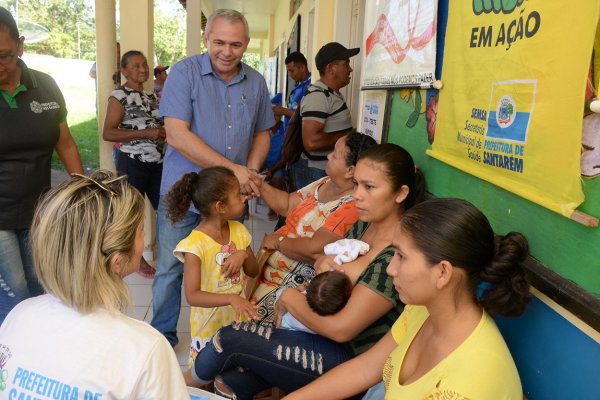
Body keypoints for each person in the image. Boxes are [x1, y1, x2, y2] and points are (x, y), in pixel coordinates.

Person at [189, 143, 426, 400]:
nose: (357, 195)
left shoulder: (396, 256)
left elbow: (341, 329)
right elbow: (323, 262)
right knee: (231, 382)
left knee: (230, 338)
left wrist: (290, 297)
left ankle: (172, 387)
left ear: (401, 193)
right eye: (356, 184)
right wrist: (319, 267)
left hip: (350, 360)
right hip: (316, 336)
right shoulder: (363, 226)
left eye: (369, 187)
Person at [284, 198, 531, 400]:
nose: (391, 269)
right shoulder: (423, 311)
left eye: (401, 256)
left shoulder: (467, 385)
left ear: (443, 272)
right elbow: (364, 369)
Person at [0, 171, 190, 398]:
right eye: (141, 231)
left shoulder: (20, 314)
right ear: (117, 261)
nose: (145, 237)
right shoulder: (145, 349)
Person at [152, 8, 275, 347]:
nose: (226, 51)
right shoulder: (184, 73)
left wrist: (247, 173)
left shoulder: (256, 81)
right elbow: (176, 134)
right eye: (218, 42)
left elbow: (264, 133)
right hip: (183, 193)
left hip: (228, 199)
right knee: (169, 270)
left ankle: (226, 333)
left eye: (235, 44)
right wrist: (235, 170)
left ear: (246, 44)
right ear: (206, 39)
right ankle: (161, 336)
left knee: (228, 266)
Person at [0, 6, 83, 326]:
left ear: (20, 46)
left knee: (42, 288)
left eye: (4, 55)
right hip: (1, 217)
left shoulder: (45, 86)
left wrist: (85, 192)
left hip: (39, 212)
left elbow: (65, 143)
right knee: (15, 296)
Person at [248, 131, 376, 324]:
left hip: (288, 287)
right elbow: (286, 204)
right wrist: (259, 185)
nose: (328, 156)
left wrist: (278, 241)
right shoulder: (326, 182)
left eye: (335, 153)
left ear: (350, 170)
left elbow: (316, 248)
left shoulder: (352, 206)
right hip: (268, 275)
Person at [164, 167, 260, 379]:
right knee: (204, 377)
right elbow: (193, 295)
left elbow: (253, 271)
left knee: (231, 376)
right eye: (237, 195)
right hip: (208, 329)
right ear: (220, 206)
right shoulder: (194, 245)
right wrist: (231, 297)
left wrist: (243, 254)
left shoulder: (239, 232)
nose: (244, 198)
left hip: (236, 321)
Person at [102, 50, 165, 279]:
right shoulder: (119, 96)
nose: (143, 69)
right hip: (132, 162)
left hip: (157, 163)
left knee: (166, 209)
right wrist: (148, 132)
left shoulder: (151, 96)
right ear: (124, 71)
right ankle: (135, 259)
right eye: (136, 66)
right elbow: (108, 132)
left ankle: (169, 255)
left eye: (145, 65)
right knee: (133, 213)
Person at [288, 42, 359, 191]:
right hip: (316, 172)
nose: (350, 69)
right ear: (331, 69)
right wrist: (348, 136)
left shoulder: (330, 94)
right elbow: (312, 142)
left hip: (322, 172)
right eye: (346, 64)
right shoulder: (318, 96)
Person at [278, 270, 351, 333]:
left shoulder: (307, 295)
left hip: (285, 320)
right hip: (292, 327)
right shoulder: (324, 320)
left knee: (280, 292)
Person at [272, 51, 312, 136]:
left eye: (292, 71)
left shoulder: (311, 86)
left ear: (302, 68)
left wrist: (282, 110)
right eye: (288, 71)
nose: (289, 74)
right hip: (289, 135)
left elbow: (307, 117)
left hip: (300, 139)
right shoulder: (298, 85)